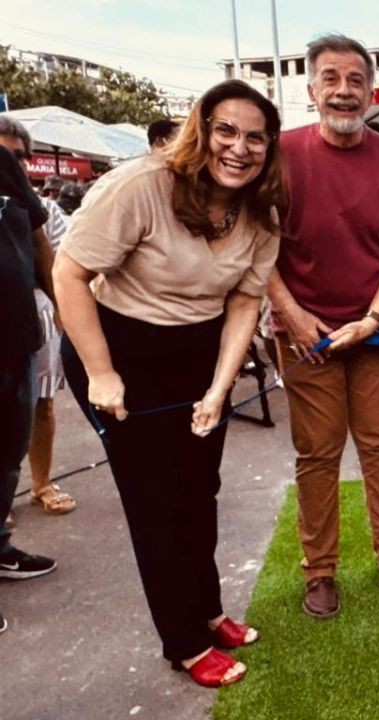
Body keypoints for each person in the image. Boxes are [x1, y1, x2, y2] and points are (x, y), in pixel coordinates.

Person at [53, 80, 284, 687]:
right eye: (225, 130)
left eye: (255, 137)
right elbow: (69, 273)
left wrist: (219, 389)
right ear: (200, 130)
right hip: (118, 351)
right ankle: (183, 641)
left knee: (198, 490)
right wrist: (102, 374)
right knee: (155, 503)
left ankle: (206, 610)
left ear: (270, 148)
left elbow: (244, 303)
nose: (239, 147)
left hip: (199, 353)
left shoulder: (262, 211)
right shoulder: (141, 185)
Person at [267, 34, 379, 619]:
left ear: (371, 91)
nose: (343, 90)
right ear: (311, 90)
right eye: (330, 78)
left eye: (356, 80)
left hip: (378, 331)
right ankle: (320, 570)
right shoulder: (279, 154)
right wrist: (292, 315)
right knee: (317, 451)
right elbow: (259, 247)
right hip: (303, 333)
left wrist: (375, 317)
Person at [0, 117, 76, 516]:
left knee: (39, 404)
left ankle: (41, 483)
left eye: (18, 157)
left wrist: (63, 312)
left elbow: (57, 263)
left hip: (35, 315)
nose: (11, 164)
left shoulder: (41, 208)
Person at [0, 145, 59, 635]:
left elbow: (39, 240)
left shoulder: (3, 165)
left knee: (7, 454)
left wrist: (65, 306)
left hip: (15, 341)